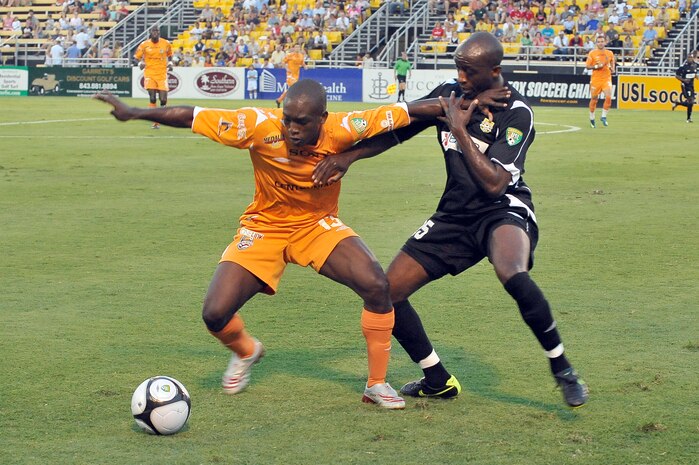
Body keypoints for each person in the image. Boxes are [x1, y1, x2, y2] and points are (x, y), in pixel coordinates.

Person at [94, 79, 462, 409]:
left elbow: (410, 111)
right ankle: (247, 351)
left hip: (317, 227)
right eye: (288, 119)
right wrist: (135, 112)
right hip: (264, 229)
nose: (292, 128)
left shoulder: (346, 128)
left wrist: (461, 101)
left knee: (377, 285)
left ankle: (376, 384)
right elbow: (193, 114)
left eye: (302, 122)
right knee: (214, 314)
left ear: (323, 118)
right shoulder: (258, 126)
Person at [312, 32, 589, 409]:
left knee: (512, 272)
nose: (459, 76)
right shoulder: (453, 95)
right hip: (454, 215)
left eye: (468, 71)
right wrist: (348, 159)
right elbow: (399, 131)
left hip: (502, 208)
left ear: (494, 71)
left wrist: (459, 127)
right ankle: (437, 379)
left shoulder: (517, 112)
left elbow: (494, 184)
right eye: (457, 67)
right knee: (386, 292)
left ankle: (562, 368)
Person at [134, 26, 173, 129]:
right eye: (153, 31)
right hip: (149, 73)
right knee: (152, 98)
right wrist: (140, 64)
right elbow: (136, 58)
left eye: (157, 31)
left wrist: (170, 63)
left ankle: (163, 115)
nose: (155, 33)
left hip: (162, 74)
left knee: (163, 99)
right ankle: (156, 122)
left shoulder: (166, 43)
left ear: (159, 33)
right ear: (150, 33)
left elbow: (170, 55)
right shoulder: (144, 45)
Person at [585, 34, 615, 127]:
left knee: (609, 96)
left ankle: (603, 116)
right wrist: (597, 66)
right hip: (596, 79)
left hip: (606, 78)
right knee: (594, 99)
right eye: (599, 42)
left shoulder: (609, 53)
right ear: (596, 43)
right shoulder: (592, 53)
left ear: (605, 42)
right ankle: (592, 117)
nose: (600, 43)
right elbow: (587, 66)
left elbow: (612, 61)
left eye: (602, 41)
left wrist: (613, 69)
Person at [671, 51, 697, 123]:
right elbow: (676, 76)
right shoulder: (683, 67)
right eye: (689, 57)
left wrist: (696, 76)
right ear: (686, 58)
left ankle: (678, 103)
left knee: (691, 103)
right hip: (685, 86)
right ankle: (688, 119)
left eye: (691, 57)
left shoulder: (695, 65)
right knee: (691, 102)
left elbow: (694, 73)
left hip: (691, 86)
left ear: (693, 58)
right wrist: (684, 80)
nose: (690, 59)